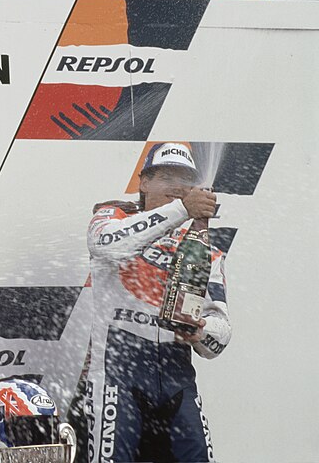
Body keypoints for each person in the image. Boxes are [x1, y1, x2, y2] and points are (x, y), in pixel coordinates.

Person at [85, 142, 231, 462]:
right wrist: (181, 209)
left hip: (177, 376)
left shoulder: (204, 248)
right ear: (144, 182)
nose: (175, 187)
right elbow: (106, 246)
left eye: (183, 180)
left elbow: (221, 334)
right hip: (117, 369)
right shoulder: (113, 215)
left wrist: (200, 330)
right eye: (164, 177)